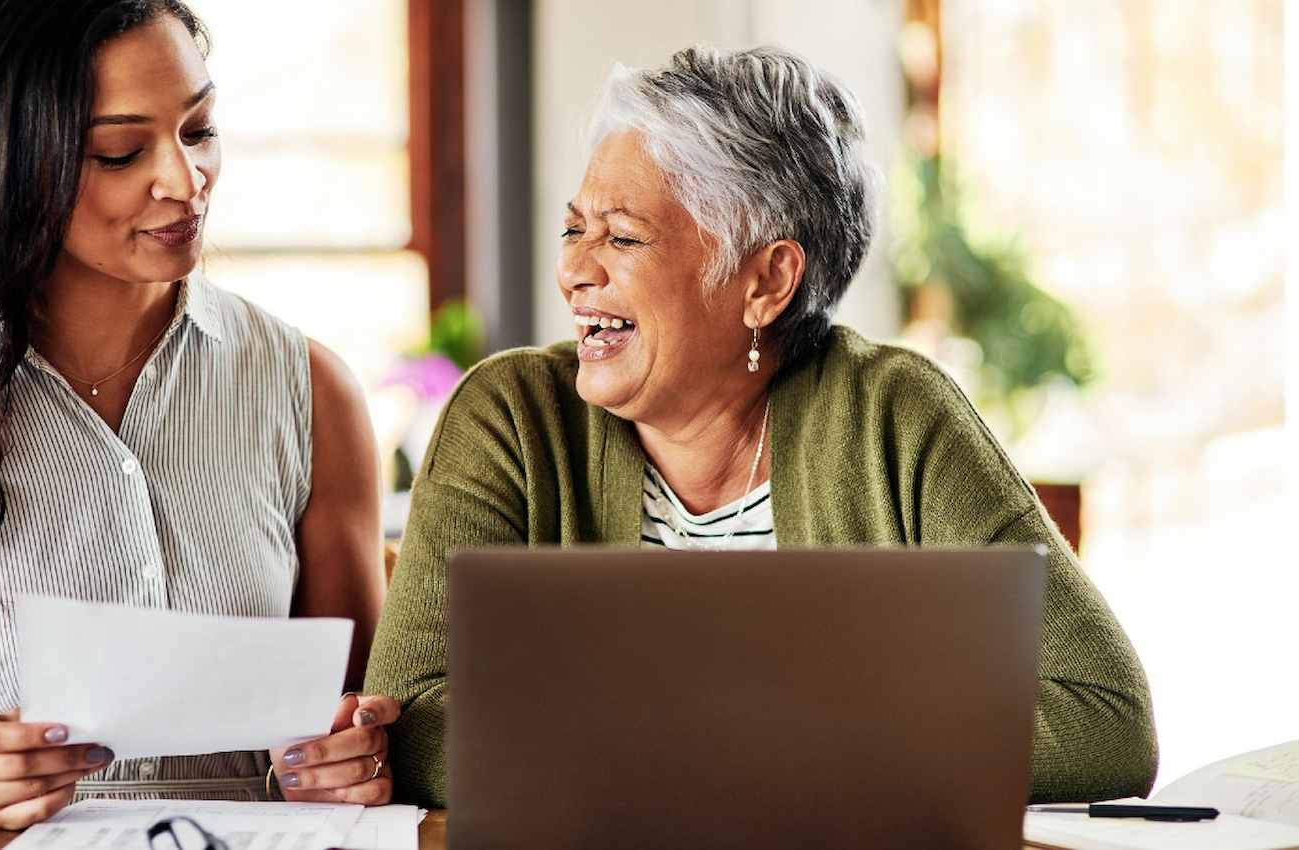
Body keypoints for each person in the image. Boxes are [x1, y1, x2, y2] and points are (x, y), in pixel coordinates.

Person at [365, 45, 1157, 808]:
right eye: (575, 229)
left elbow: (1105, 722)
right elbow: (413, 725)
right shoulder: (510, 416)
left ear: (767, 281)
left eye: (622, 236)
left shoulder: (892, 415)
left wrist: (631, 744)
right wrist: (804, 738)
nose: (576, 269)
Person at [0, 2, 397, 846]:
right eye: (121, 151)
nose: (184, 182)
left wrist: (351, 755)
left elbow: (357, 712)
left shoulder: (309, 389)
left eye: (199, 129)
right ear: (18, 159)